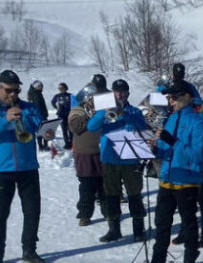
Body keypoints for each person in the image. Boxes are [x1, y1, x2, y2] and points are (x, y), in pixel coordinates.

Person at [134, 81, 203, 263]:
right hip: (167, 176)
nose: (170, 101)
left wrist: (172, 141)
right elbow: (167, 149)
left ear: (185, 96)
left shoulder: (198, 121)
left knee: (189, 222)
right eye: (169, 98)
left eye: (174, 97)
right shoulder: (170, 119)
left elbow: (197, 155)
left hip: (187, 178)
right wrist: (154, 148)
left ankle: (190, 260)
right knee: (162, 223)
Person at [0, 70, 46, 263]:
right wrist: (4, 120)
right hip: (2, 168)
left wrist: (45, 131)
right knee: (0, 213)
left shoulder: (28, 107)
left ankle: (29, 249)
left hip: (28, 167)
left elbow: (38, 125)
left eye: (16, 90)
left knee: (32, 211)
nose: (13, 94)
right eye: (8, 90)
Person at [88, 79, 148, 244]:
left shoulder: (135, 111)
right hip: (110, 158)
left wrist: (125, 115)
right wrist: (103, 112)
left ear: (128, 93)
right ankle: (114, 229)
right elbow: (91, 127)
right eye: (117, 91)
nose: (120, 94)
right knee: (111, 195)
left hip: (130, 159)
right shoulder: (104, 110)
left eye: (123, 91)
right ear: (112, 93)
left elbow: (143, 127)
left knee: (135, 194)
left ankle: (139, 229)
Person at [67, 83, 106, 226]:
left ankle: (108, 212)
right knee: (86, 187)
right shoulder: (77, 110)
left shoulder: (104, 108)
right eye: (94, 97)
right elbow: (75, 127)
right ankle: (85, 214)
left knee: (105, 186)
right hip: (85, 153)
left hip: (103, 152)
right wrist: (91, 115)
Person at [27, 80, 50, 151]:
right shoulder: (36, 95)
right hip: (40, 115)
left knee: (40, 130)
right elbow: (38, 106)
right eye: (41, 86)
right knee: (45, 129)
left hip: (38, 115)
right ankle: (44, 145)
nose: (42, 88)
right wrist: (43, 115)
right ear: (38, 87)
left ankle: (41, 146)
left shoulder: (34, 93)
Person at [52, 83, 73, 149]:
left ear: (65, 88)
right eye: (59, 88)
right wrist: (56, 107)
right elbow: (52, 102)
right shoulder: (57, 96)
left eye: (62, 88)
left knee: (71, 129)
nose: (60, 90)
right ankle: (66, 143)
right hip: (61, 115)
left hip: (69, 114)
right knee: (64, 130)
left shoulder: (70, 95)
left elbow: (75, 102)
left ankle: (71, 142)